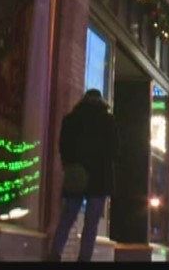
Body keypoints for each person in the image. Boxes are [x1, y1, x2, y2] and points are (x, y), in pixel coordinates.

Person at [45, 89, 118, 262]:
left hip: (76, 175)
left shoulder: (71, 119)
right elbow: (115, 148)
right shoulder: (108, 121)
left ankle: (55, 253)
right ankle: (84, 257)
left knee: (67, 217)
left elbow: (63, 146)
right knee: (91, 223)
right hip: (100, 178)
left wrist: (69, 165)